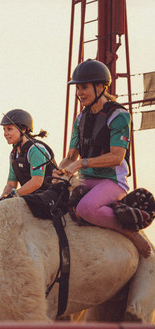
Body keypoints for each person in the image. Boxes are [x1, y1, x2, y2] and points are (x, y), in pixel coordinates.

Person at [54, 59, 151, 257]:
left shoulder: (119, 116)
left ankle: (130, 231)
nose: (79, 92)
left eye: (84, 87)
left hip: (112, 181)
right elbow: (71, 156)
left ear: (101, 86)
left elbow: (116, 157)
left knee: (85, 208)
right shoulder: (81, 118)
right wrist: (59, 170)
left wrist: (81, 163)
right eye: (78, 88)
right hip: (87, 179)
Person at [0, 109, 57, 199]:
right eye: (4, 130)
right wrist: (2, 199)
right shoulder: (14, 154)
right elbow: (11, 184)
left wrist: (13, 195)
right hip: (31, 198)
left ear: (23, 129)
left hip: (49, 199)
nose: (5, 134)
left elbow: (36, 182)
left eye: (9, 129)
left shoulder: (35, 150)